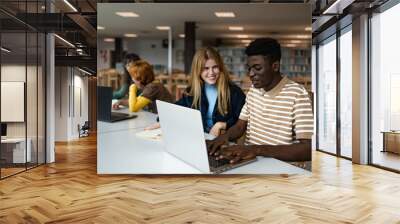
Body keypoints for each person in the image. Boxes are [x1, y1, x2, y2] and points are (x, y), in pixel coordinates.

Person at [207, 38, 313, 167]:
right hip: (249, 161)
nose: (251, 74)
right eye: (249, 68)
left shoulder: (298, 94)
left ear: (275, 66)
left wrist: (256, 149)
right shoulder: (253, 90)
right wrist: (223, 138)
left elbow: (308, 149)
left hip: (281, 169)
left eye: (257, 68)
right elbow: (240, 126)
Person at [145, 47, 246, 137]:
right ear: (198, 70)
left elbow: (242, 121)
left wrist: (223, 124)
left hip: (223, 141)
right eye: (205, 68)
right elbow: (177, 108)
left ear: (220, 68)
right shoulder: (192, 91)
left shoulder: (234, 92)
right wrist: (164, 120)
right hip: (198, 138)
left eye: (215, 67)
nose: (211, 73)